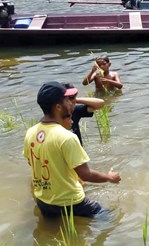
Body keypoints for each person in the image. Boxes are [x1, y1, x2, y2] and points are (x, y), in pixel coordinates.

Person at [23, 82, 121, 218]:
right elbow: (85, 174)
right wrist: (110, 178)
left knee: (51, 233)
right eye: (67, 100)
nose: (71, 103)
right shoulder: (67, 137)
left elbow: (32, 162)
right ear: (58, 107)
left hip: (43, 202)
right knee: (113, 219)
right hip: (71, 203)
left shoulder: (30, 132)